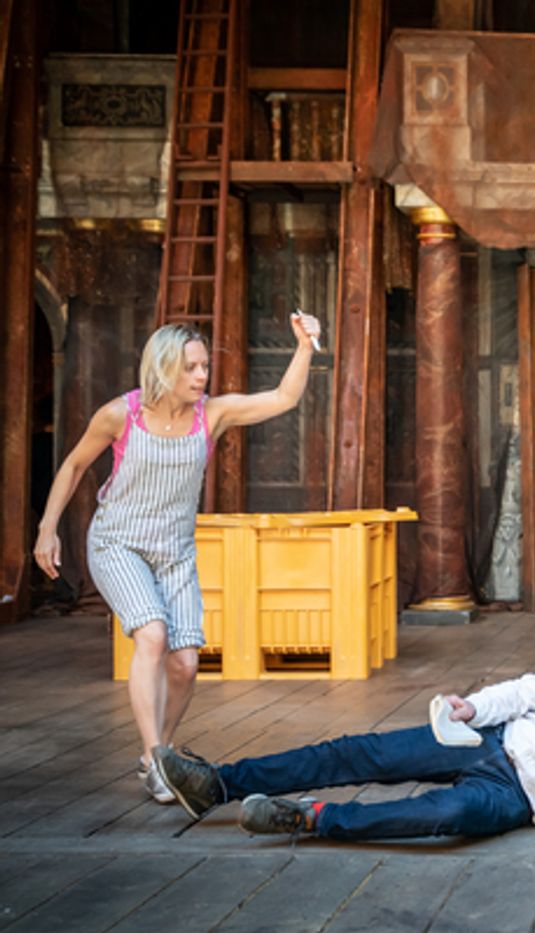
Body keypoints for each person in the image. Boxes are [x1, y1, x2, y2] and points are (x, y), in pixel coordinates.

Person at [152, 606, 535, 850]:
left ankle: (310, 819)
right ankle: (219, 784)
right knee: (363, 752)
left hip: (520, 797)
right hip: (493, 743)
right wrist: (474, 709)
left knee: (444, 816)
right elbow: (524, 692)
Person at [33, 314, 322, 803]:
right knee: (152, 633)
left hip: (174, 554)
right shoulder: (120, 415)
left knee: (186, 664)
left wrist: (305, 346)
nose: (202, 375)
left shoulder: (212, 415)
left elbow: (282, 398)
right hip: (118, 543)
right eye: (191, 367)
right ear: (163, 367)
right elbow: (75, 464)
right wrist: (47, 528)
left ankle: (159, 754)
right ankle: (156, 761)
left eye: (204, 366)